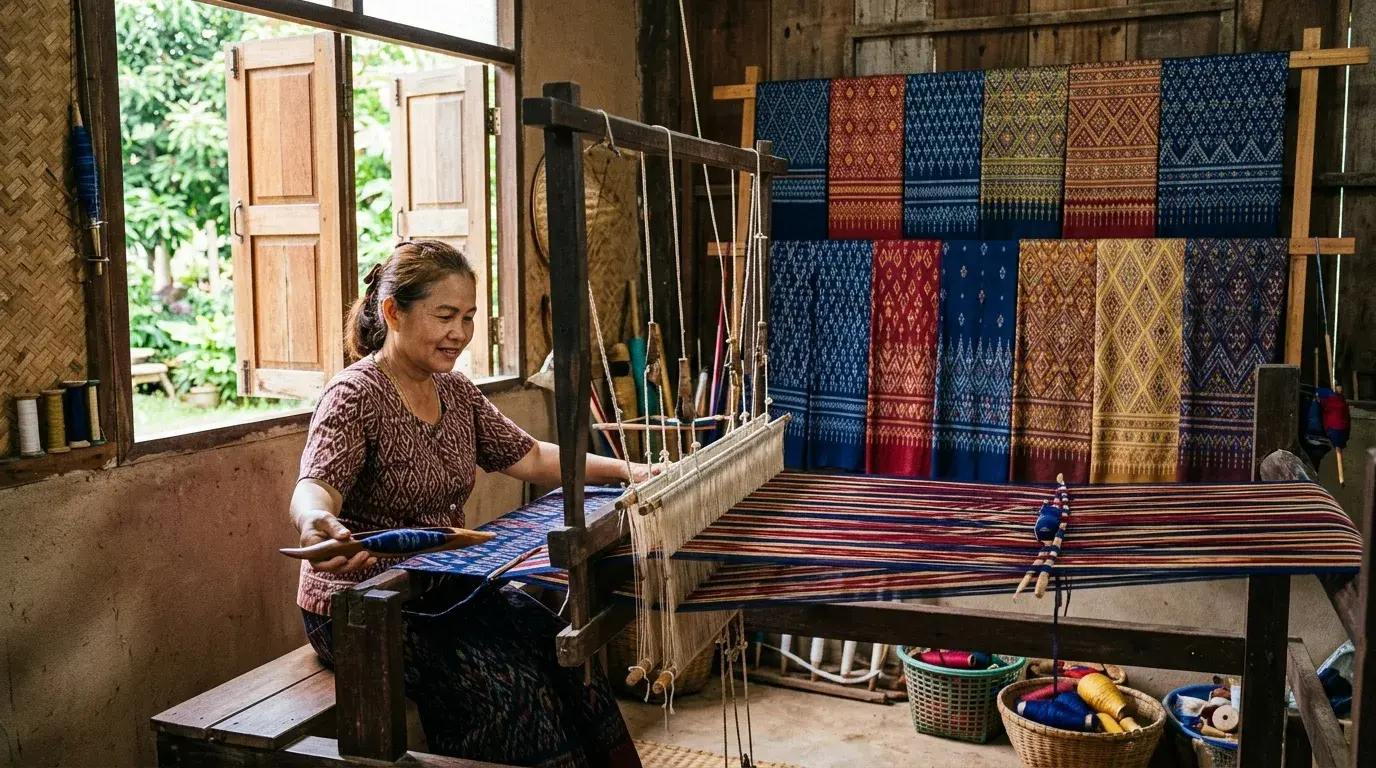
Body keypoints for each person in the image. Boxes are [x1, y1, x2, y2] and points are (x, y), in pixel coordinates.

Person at [288, 239, 646, 767]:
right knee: (507, 691)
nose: (460, 332)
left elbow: (531, 457)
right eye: (445, 316)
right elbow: (315, 485)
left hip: (445, 586)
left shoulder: (455, 392)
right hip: (364, 607)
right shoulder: (355, 394)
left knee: (569, 658)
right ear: (394, 313)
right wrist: (315, 519)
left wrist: (627, 469)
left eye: (470, 317)